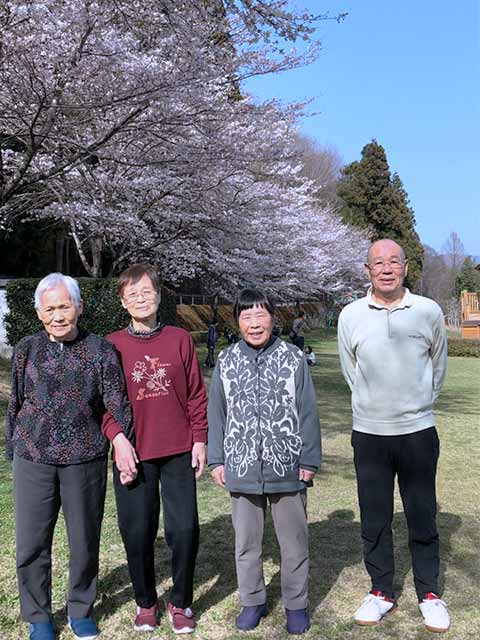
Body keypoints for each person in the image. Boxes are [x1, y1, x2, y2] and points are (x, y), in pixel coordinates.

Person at [4, 273, 133, 640]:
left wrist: (122, 441)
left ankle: (80, 609)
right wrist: (13, 445)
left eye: (64, 306)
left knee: (84, 538)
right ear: (38, 313)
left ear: (79, 306)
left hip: (85, 458)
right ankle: (38, 616)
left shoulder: (100, 350)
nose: (58, 315)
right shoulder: (27, 348)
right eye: (50, 309)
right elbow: (15, 403)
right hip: (33, 456)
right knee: (31, 541)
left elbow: (116, 404)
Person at [337, 239, 450, 633]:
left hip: (417, 432)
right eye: (377, 263)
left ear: (406, 267)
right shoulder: (350, 315)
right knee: (374, 516)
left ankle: (429, 593)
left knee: (422, 514)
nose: (386, 269)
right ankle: (381, 590)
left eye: (394, 262)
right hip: (369, 434)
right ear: (367, 270)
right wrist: (375, 407)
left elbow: (438, 368)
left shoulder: (428, 312)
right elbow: (351, 372)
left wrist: (416, 405)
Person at [207, 288, 321, 635]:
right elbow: (217, 413)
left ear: (273, 318)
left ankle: (296, 604)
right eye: (246, 316)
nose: (255, 324)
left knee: (294, 542)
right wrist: (216, 460)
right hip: (240, 465)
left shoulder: (292, 357)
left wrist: (309, 459)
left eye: (261, 316)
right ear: (237, 321)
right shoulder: (226, 361)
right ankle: (252, 600)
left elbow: (307, 410)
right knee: (246, 543)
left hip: (286, 465)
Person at [102, 264, 208, 635]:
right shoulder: (111, 345)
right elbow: (101, 403)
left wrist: (199, 439)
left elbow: (196, 394)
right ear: (122, 301)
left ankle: (181, 602)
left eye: (147, 291)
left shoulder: (179, 339)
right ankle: (146, 602)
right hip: (134, 454)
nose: (140, 298)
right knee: (137, 531)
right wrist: (118, 440)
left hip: (178, 450)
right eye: (132, 294)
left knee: (184, 530)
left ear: (159, 295)